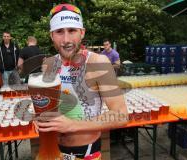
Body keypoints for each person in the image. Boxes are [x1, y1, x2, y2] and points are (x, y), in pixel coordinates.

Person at [33, 4, 128, 159]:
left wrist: (73, 125)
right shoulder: (48, 64)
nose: (66, 40)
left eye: (72, 30)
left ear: (82, 32)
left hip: (86, 153)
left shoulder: (98, 62)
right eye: (59, 32)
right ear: (51, 35)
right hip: (51, 150)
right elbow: (49, 105)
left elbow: (121, 115)